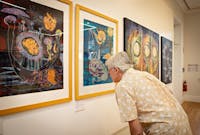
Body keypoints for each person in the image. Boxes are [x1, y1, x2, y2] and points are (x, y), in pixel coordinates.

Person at [105, 51, 192, 135]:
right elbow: (169, 92)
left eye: (109, 71)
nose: (109, 74)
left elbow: (136, 130)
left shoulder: (122, 86)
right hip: (180, 119)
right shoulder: (144, 74)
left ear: (116, 70)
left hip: (165, 128)